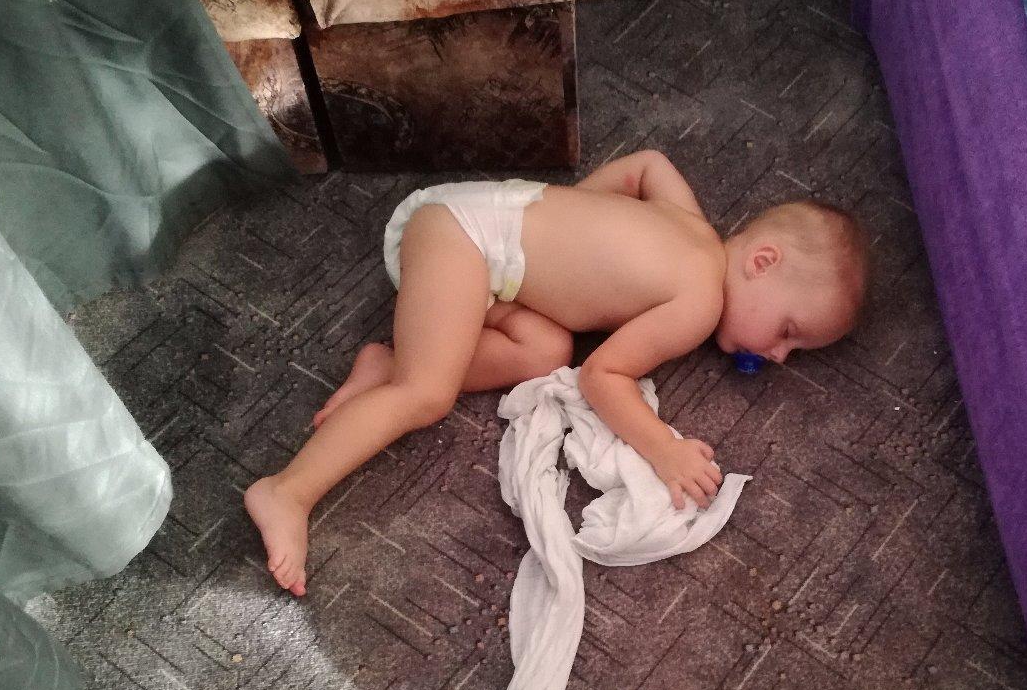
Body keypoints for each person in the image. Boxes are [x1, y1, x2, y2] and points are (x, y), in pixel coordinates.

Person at [245, 149, 869, 596]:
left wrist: (576, 217)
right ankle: (287, 491)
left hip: (490, 226)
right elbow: (603, 377)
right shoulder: (700, 304)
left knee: (545, 350)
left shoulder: (692, 224)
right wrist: (664, 450)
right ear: (762, 261)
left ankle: (387, 363)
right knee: (427, 395)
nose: (779, 355)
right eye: (788, 331)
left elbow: (646, 164)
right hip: (462, 238)